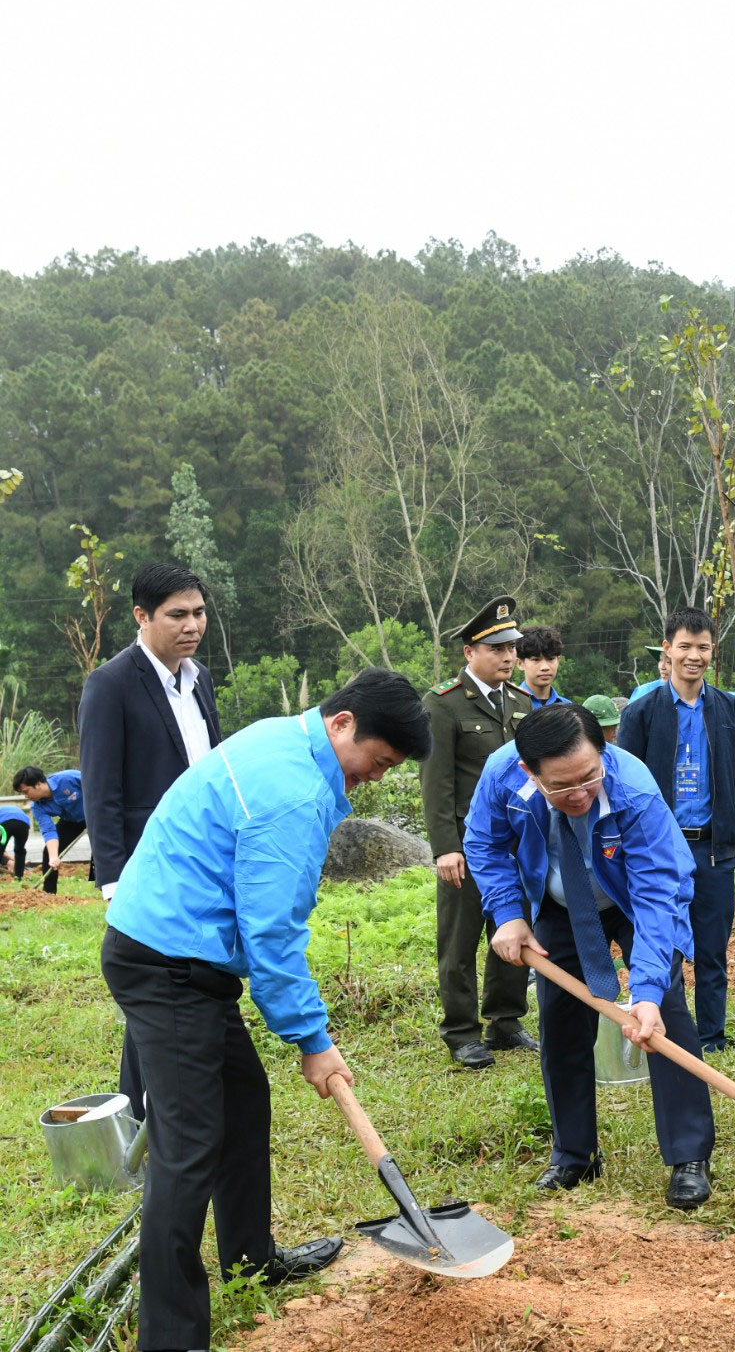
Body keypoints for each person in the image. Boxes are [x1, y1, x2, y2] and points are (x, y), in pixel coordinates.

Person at [100, 669, 434, 1352]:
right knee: (188, 1149)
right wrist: (313, 1039)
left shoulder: (288, 740)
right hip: (166, 961)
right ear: (344, 725)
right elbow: (272, 933)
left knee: (243, 1104)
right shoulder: (292, 791)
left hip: (190, 954)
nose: (374, 777)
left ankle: (251, 1259)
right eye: (378, 762)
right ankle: (170, 1338)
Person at [466, 705, 717, 1207]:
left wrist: (643, 992)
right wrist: (508, 914)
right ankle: (573, 1154)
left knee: (664, 1011)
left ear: (603, 755)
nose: (579, 794)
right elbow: (484, 843)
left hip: (631, 900)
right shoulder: (500, 775)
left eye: (589, 778)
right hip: (558, 904)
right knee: (559, 1021)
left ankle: (689, 1155)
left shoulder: (634, 790)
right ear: (528, 772)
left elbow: (655, 895)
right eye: (561, 786)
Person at [78, 562, 224, 1121]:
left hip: (201, 858)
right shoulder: (111, 684)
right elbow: (102, 791)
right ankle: (142, 1110)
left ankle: (165, 1099)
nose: (192, 626)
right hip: (144, 864)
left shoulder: (200, 679)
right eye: (178, 615)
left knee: (183, 980)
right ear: (142, 616)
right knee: (151, 986)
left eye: (199, 613)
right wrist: (115, 883)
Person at [618, 608, 735, 1052]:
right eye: (684, 647)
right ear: (668, 650)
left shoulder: (728, 710)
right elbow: (624, 784)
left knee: (713, 948)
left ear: (711, 651)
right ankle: (673, 1035)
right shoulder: (642, 713)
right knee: (665, 946)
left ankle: (712, 1036)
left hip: (713, 850)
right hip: (659, 852)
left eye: (702, 648)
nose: (693, 656)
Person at [421, 595, 536, 1070]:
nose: (509, 657)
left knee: (513, 930)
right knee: (460, 939)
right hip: (468, 848)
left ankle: (505, 1021)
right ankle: (463, 1032)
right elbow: (436, 783)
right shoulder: (443, 705)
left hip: (516, 845)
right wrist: (445, 848)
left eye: (513, 648)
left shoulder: (523, 702)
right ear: (470, 653)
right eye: (497, 649)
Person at [12, 765, 87, 889]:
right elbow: (49, 831)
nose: (26, 796)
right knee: (49, 852)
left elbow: (98, 786)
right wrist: (53, 857)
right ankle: (49, 894)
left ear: (38, 784)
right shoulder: (37, 807)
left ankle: (105, 887)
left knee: (99, 850)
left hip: (96, 814)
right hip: (71, 821)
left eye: (26, 791)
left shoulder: (68, 778)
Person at [516, 625, 571, 710]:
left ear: (558, 660)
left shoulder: (568, 708)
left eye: (551, 659)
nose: (545, 667)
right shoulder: (510, 705)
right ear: (520, 663)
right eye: (536, 660)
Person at [2, 801, 29, 881]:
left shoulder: (3, 813)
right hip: (23, 823)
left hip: (5, 822)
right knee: (20, 850)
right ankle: (19, 876)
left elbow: (3, 851)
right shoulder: (15, 811)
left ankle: (9, 865)